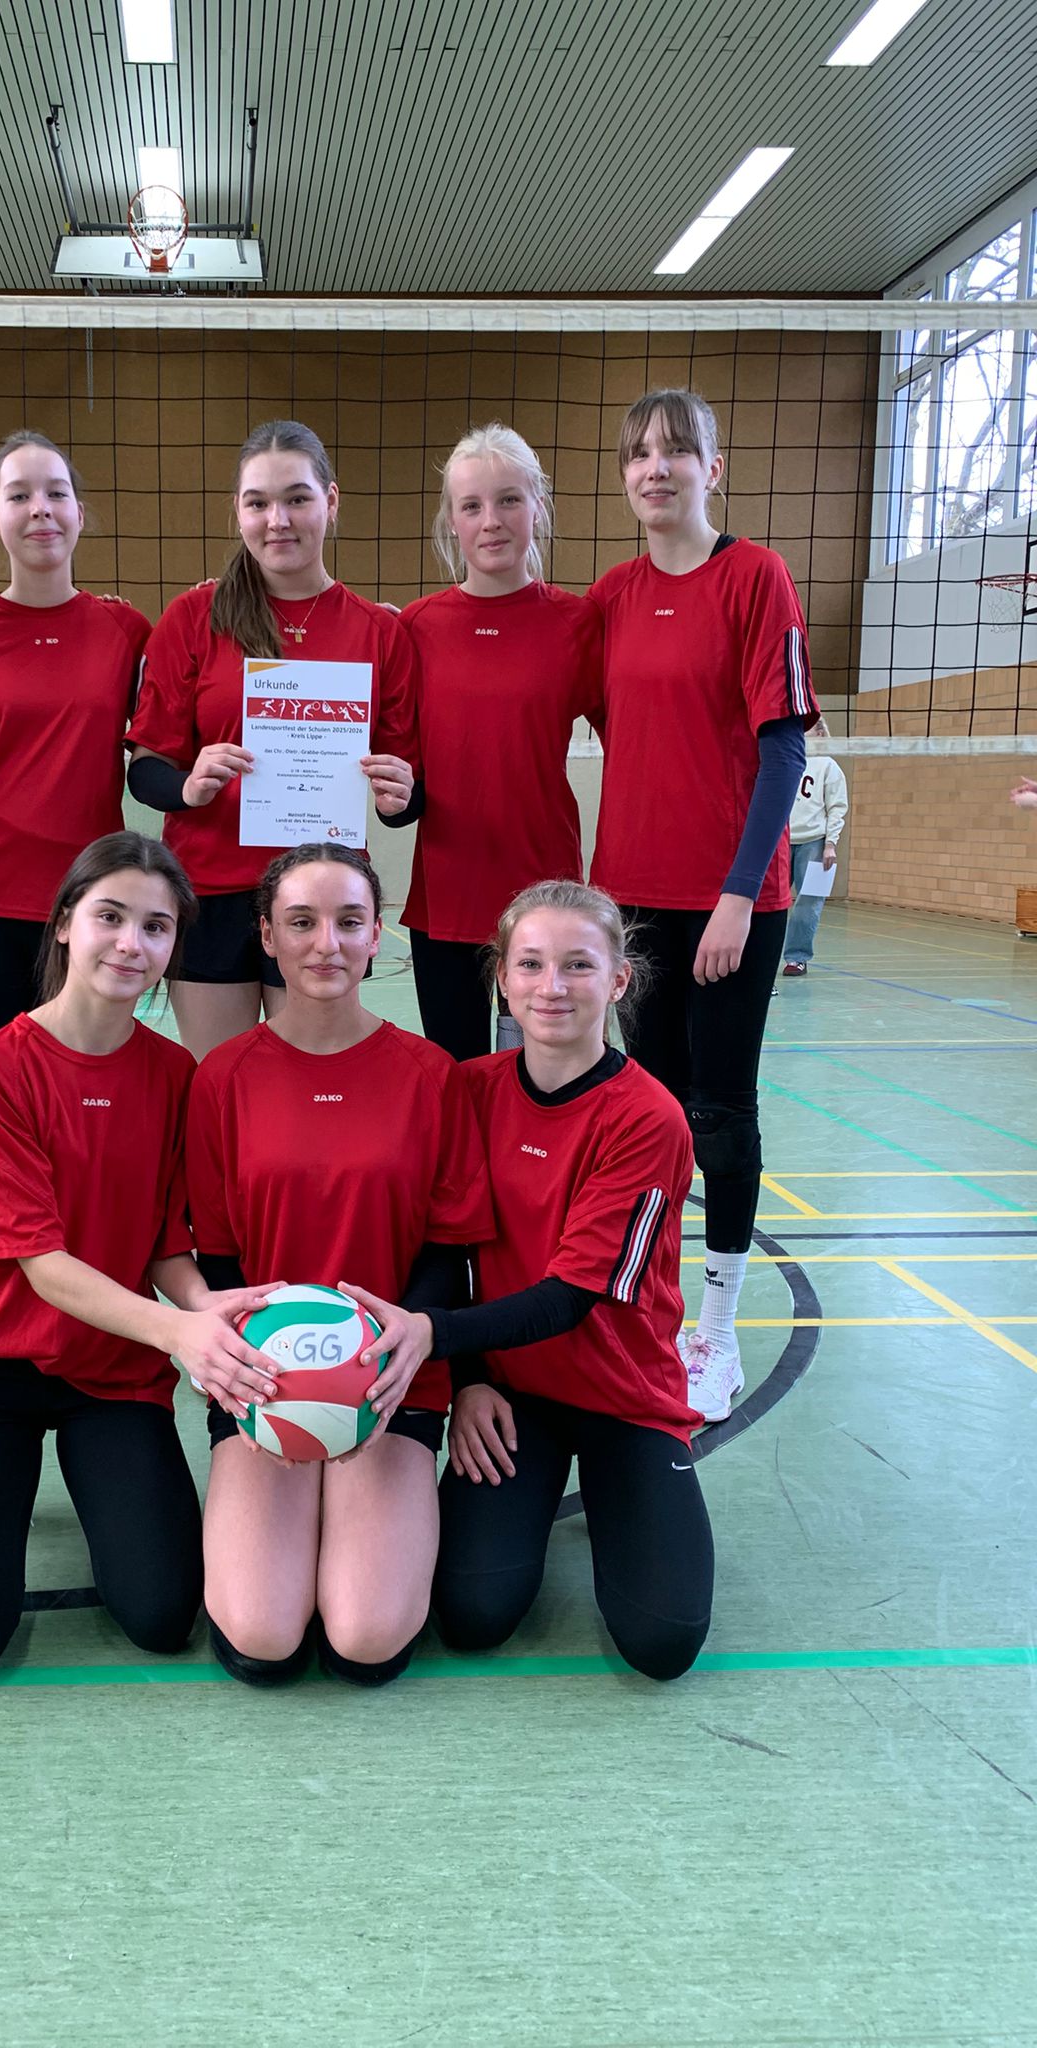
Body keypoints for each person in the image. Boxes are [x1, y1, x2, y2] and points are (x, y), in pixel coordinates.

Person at [0, 832, 281, 1676]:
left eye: (155, 927)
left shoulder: (176, 1074)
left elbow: (165, 1240)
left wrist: (206, 1307)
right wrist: (178, 1332)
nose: (130, 943)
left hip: (113, 1371)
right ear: (65, 923)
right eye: (110, 917)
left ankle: (95, 1481)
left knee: (163, 1615)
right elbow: (40, 1262)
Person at [344, 882, 711, 1682]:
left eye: (578, 965)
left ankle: (626, 1488)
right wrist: (470, 1379)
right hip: (515, 1398)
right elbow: (447, 1248)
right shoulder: (470, 1090)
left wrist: (433, 1336)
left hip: (624, 1398)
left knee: (663, 1642)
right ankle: (535, 1500)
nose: (553, 987)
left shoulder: (647, 1118)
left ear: (618, 980)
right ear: (502, 980)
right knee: (472, 1615)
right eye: (532, 964)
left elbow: (571, 1297)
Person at [186, 843, 492, 1688]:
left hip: (392, 1380)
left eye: (349, 921)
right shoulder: (222, 1078)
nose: (326, 943)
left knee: (365, 1637)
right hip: (265, 1379)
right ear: (266, 936)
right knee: (262, 1636)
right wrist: (257, 1373)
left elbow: (451, 1250)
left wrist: (394, 1358)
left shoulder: (431, 1075)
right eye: (301, 922)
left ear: (376, 935)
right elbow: (218, 1259)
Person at [588, 388, 818, 1424]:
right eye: (639, 453)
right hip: (631, 905)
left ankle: (715, 1330)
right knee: (651, 1116)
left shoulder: (755, 576)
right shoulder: (611, 597)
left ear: (711, 469)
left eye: (676, 450)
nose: (656, 466)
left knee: (721, 1114)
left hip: (733, 904)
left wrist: (735, 895)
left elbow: (784, 751)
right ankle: (655, 1308)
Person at [127, 419, 421, 1062]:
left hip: (324, 896)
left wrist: (400, 795)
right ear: (238, 511)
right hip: (210, 891)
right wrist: (188, 785)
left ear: (331, 501)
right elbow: (146, 770)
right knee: (220, 1087)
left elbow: (405, 795)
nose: (277, 520)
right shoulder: (193, 619)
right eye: (258, 502)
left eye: (297, 498)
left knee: (309, 1089)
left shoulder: (379, 632)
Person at [0, 431, 152, 1057]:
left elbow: (195, 713)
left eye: (56, 493)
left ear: (79, 511)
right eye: (19, 495)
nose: (40, 509)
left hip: (92, 905)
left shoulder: (126, 630)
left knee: (84, 1089)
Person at [401, 423, 600, 1062]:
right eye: (472, 505)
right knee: (457, 1076)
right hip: (447, 896)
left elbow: (643, 742)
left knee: (543, 1071)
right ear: (452, 522)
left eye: (509, 500)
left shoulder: (578, 624)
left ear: (537, 507)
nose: (491, 521)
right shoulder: (416, 628)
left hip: (545, 893)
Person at [782, 716, 848, 977]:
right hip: (781, 843)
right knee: (768, 904)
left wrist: (831, 844)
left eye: (806, 729)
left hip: (817, 843)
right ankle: (758, 960)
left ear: (819, 733)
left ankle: (797, 958)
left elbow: (837, 808)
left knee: (810, 904)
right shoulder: (786, 759)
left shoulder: (829, 766)